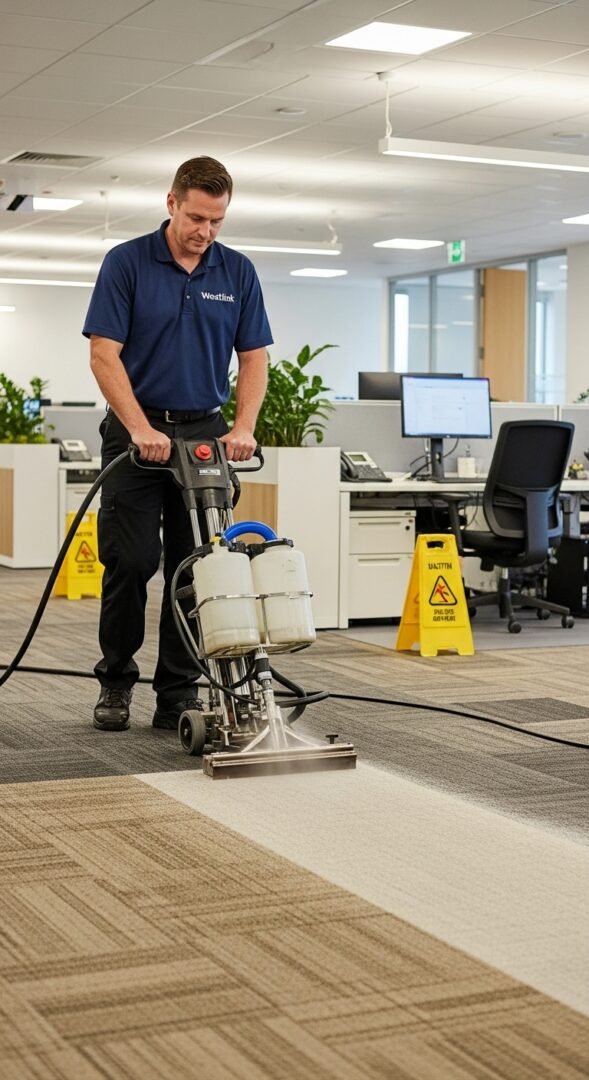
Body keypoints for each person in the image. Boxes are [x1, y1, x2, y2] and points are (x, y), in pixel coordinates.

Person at [82, 155, 272, 732]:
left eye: (216, 220)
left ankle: (177, 695)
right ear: (171, 203)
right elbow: (103, 354)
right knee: (130, 562)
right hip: (136, 431)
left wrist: (242, 427)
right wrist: (140, 427)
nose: (204, 232)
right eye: (195, 217)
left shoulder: (236, 272)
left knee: (196, 570)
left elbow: (255, 356)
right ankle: (116, 683)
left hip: (203, 434)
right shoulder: (128, 263)